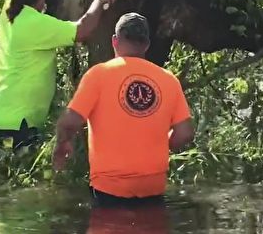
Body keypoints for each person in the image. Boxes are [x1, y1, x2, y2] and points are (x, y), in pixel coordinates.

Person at [52, 12, 195, 206]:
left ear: (115, 41)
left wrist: (63, 144)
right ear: (146, 45)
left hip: (109, 187)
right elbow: (185, 133)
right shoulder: (168, 79)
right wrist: (161, 145)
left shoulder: (99, 75)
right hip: (153, 186)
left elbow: (69, 122)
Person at [0, 0, 117, 151]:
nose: (45, 3)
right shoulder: (34, 23)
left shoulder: (10, 10)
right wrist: (101, 0)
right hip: (18, 123)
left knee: (4, 178)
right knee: (23, 178)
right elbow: (82, 30)